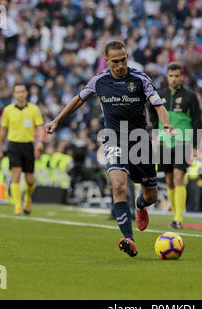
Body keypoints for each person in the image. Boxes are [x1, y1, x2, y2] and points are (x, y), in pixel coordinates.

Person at [46, 40, 174, 257]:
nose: (121, 64)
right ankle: (128, 239)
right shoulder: (99, 81)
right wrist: (57, 120)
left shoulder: (140, 79)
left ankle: (140, 206)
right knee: (118, 185)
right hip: (114, 139)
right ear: (106, 61)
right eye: (116, 61)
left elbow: (158, 105)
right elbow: (78, 100)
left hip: (139, 141)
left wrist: (166, 123)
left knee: (151, 196)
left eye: (123, 59)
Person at [150, 62, 202, 229]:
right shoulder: (159, 96)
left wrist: (195, 145)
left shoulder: (190, 96)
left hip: (183, 141)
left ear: (182, 77)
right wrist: (155, 134)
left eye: (177, 76)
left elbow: (198, 122)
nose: (174, 79)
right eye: (171, 76)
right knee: (169, 180)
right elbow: (153, 115)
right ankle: (174, 216)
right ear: (167, 77)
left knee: (179, 177)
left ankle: (178, 218)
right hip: (164, 142)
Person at [0, 83, 45, 215]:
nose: (20, 94)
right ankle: (17, 207)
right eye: (17, 92)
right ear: (14, 94)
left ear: (26, 93)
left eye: (22, 91)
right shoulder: (8, 110)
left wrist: (40, 142)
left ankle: (27, 199)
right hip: (13, 145)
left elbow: (40, 127)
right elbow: (3, 130)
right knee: (16, 174)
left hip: (28, 145)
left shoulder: (34, 109)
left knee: (29, 180)